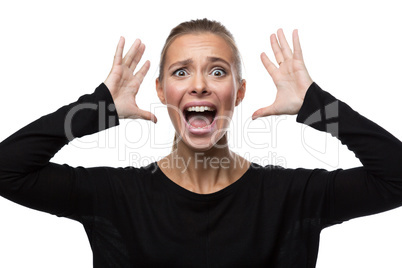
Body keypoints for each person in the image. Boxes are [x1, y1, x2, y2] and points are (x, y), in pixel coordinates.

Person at [0, 18, 401, 267]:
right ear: (160, 90)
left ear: (239, 91)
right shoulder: (115, 196)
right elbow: (7, 169)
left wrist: (317, 105)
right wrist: (99, 107)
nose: (198, 85)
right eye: (180, 72)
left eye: (217, 71)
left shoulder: (290, 196)